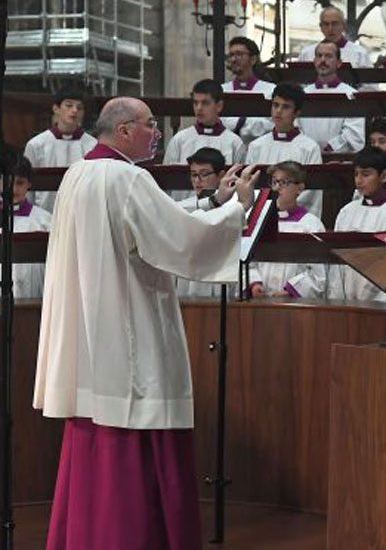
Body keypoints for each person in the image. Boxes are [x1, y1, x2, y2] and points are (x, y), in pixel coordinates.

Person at [33, 96, 258, 550]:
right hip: (128, 322)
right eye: (150, 125)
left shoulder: (78, 174)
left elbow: (163, 224)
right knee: (137, 421)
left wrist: (215, 198)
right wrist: (237, 210)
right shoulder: (128, 178)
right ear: (123, 131)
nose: (157, 133)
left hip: (90, 332)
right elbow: (180, 240)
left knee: (93, 430)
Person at [328, 146, 386, 302]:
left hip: (381, 298)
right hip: (347, 294)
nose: (359, 180)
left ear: (384, 175)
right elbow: (337, 259)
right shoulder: (347, 211)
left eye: (365, 174)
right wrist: (337, 298)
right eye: (356, 174)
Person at [249, 162, 327, 299]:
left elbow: (318, 272)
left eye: (284, 182)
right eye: (274, 182)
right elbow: (248, 261)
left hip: (295, 304)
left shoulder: (311, 224)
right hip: (261, 301)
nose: (277, 187)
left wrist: (291, 292)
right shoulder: (260, 221)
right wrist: (254, 284)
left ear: (299, 188)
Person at [246, 83, 324, 219]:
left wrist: (284, 207)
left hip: (297, 219)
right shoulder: (256, 146)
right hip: (262, 215)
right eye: (275, 105)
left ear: (297, 113)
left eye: (286, 107)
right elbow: (250, 185)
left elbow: (311, 191)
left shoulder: (309, 147)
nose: (278, 111)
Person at [175, 148, 237, 298]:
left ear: (221, 176)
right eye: (194, 174)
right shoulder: (182, 206)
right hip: (187, 279)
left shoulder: (233, 208)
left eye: (204, 174)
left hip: (220, 279)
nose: (197, 180)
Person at [24, 87, 97, 211]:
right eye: (69, 105)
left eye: (79, 108)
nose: (74, 111)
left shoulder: (92, 145)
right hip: (45, 212)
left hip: (80, 211)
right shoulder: (36, 144)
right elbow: (27, 183)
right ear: (56, 109)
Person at [299, 40, 364, 152]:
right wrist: (308, 149)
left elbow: (354, 134)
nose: (323, 60)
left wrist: (331, 148)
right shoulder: (302, 95)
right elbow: (296, 127)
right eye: (319, 56)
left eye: (328, 56)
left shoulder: (352, 95)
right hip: (306, 157)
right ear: (314, 61)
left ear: (339, 63)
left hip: (339, 160)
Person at [163, 78, 246, 165]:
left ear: (219, 106)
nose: (199, 108)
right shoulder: (179, 140)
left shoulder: (234, 142)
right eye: (196, 103)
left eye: (205, 103)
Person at [4, 155, 52, 299]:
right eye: (7, 182)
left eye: (19, 183)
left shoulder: (45, 220)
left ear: (29, 184)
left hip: (33, 297)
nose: (13, 189)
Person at [222, 36, 275, 145]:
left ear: (253, 59)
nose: (233, 59)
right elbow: (218, 123)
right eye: (231, 55)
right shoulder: (222, 90)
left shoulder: (271, 90)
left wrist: (238, 123)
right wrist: (250, 123)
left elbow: (272, 125)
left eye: (239, 54)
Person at [297, 6, 371, 67]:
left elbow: (370, 84)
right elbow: (298, 81)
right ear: (321, 27)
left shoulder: (360, 53)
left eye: (335, 23)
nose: (330, 28)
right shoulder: (307, 53)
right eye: (326, 24)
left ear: (343, 25)